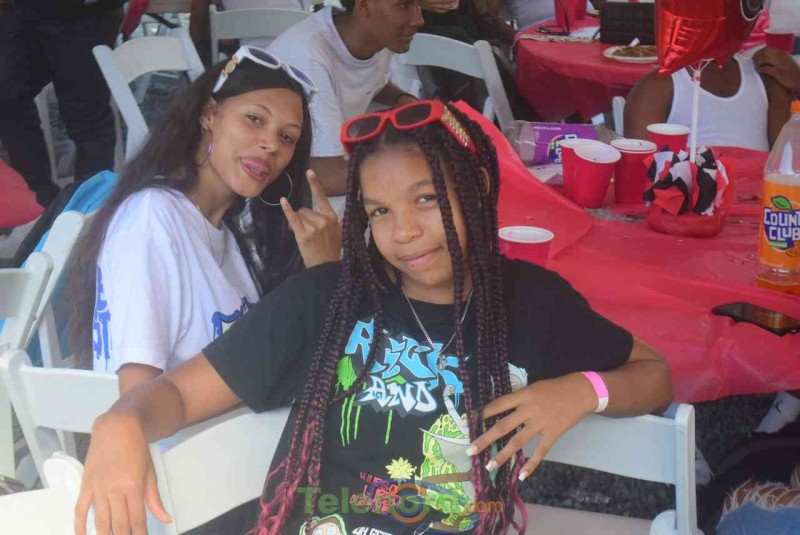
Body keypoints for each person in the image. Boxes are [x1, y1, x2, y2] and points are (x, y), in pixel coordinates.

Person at [74, 100, 673, 535]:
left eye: (426, 199)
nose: (403, 231)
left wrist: (581, 391)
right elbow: (177, 395)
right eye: (379, 211)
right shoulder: (326, 301)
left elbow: (653, 375)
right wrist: (123, 420)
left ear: (478, 185)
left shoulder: (533, 304)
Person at [65, 46, 342, 395]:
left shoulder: (232, 234)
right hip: (177, 432)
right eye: (254, 119)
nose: (271, 144)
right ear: (209, 114)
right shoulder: (152, 219)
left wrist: (322, 272)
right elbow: (134, 397)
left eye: (286, 137)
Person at [266, 0, 423, 216]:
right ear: (364, 5)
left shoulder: (375, 38)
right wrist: (420, 167)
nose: (419, 20)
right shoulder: (309, 56)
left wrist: (401, 99)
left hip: (336, 172)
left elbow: (371, 82)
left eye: (419, 5)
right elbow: (326, 175)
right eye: (404, 6)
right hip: (291, 202)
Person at [0, 0, 123, 207]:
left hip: (87, 13)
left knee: (86, 117)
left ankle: (86, 211)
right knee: (7, 98)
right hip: (23, 9)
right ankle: (39, 200)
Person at [624, 53, 793, 151]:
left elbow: (788, 163)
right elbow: (640, 172)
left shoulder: (767, 77)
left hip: (761, 199)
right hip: (687, 200)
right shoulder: (657, 86)